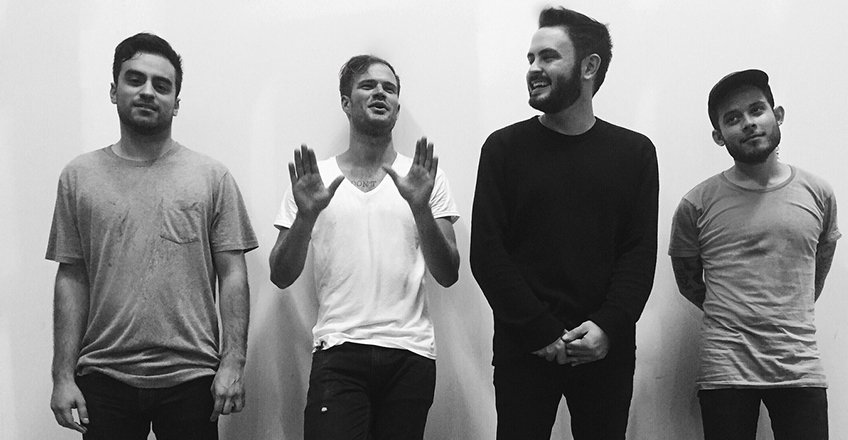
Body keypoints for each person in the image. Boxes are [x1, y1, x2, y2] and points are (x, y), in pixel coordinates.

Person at [47, 33, 258, 439]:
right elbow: (71, 278)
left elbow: (233, 274)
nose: (148, 92)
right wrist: (62, 375)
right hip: (104, 375)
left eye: (162, 85)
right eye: (135, 79)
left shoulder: (211, 177)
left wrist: (233, 362)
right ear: (114, 90)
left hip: (192, 376)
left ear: (176, 102)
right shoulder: (79, 177)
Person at [470, 7, 659, 440]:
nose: (533, 69)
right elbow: (488, 253)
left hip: (605, 350)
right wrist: (541, 332)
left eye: (548, 57)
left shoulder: (634, 154)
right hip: (524, 347)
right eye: (530, 58)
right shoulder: (503, 149)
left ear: (589, 67)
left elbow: (638, 253)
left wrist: (608, 327)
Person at [269, 55, 460, 440]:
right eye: (368, 85)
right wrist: (306, 215)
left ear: (397, 106)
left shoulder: (424, 178)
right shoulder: (315, 180)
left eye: (389, 88)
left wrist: (420, 207)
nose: (380, 93)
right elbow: (280, 275)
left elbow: (448, 273)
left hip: (410, 352)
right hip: (338, 349)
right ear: (345, 102)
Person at [669, 69, 839, 440]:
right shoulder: (696, 204)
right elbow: (688, 281)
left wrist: (789, 310)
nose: (748, 123)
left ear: (777, 115)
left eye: (756, 110)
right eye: (733, 119)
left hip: (799, 365)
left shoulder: (819, 193)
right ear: (718, 136)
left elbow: (819, 263)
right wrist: (731, 313)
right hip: (725, 369)